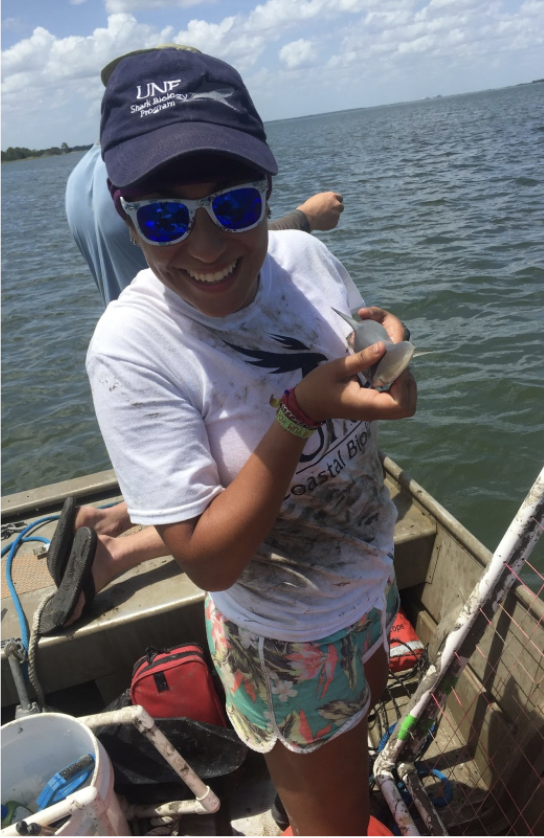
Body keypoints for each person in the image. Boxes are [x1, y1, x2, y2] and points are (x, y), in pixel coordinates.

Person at [44, 46, 416, 835]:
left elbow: (375, 388)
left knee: (368, 705)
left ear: (269, 191)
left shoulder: (309, 257)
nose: (208, 246)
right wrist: (297, 416)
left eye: (237, 206)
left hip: (366, 576)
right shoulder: (129, 351)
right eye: (166, 218)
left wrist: (392, 364)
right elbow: (209, 560)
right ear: (122, 209)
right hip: (287, 635)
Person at [66, 143, 345, 305]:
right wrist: (304, 218)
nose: (205, 249)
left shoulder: (78, 179)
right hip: (182, 338)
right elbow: (211, 253)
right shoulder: (140, 175)